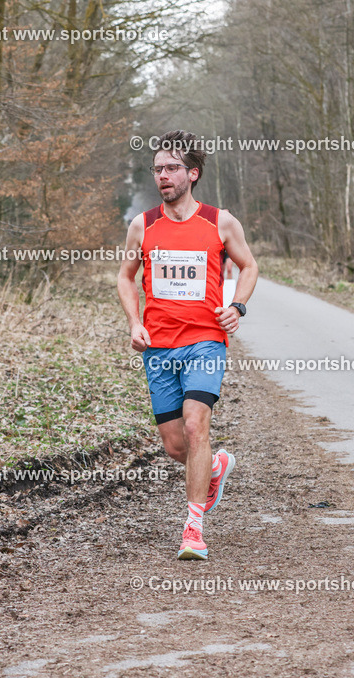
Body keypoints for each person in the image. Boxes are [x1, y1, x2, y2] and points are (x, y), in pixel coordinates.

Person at [117, 130, 259, 560]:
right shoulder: (143, 225)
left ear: (192, 174)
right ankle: (214, 466)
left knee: (197, 427)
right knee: (176, 446)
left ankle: (193, 529)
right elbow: (126, 277)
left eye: (172, 168)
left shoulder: (220, 222)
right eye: (158, 169)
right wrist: (135, 323)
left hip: (205, 342)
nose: (163, 175)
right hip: (158, 347)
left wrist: (237, 306)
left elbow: (249, 266)